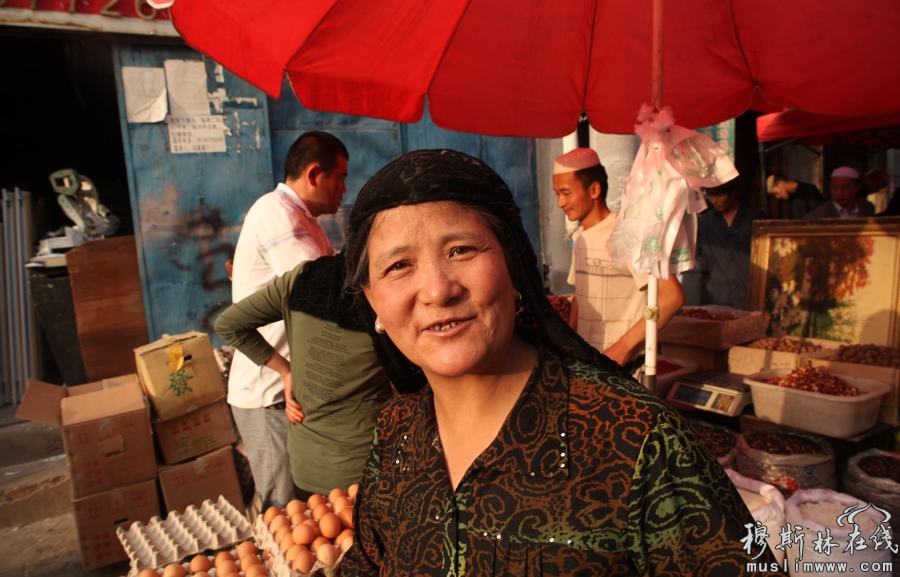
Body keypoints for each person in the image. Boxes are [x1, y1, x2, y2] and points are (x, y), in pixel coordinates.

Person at [341, 149, 782, 576]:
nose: (438, 290)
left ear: (514, 265)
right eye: (398, 265)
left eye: (461, 250)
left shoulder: (637, 442)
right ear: (371, 302)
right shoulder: (395, 435)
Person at [227, 130, 348, 510]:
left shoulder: (304, 218)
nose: (345, 188)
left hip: (290, 388)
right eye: (340, 177)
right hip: (268, 389)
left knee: (302, 508)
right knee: (282, 512)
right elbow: (324, 291)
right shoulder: (276, 214)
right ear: (314, 174)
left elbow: (338, 271)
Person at [215, 253, 396, 500]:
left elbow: (228, 324)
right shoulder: (384, 296)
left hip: (306, 467)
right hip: (366, 472)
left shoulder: (299, 279)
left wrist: (286, 371)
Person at [551, 148, 684, 368]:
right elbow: (580, 297)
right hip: (589, 366)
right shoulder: (580, 239)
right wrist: (570, 347)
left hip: (625, 369)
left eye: (566, 193)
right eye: (557, 194)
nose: (560, 203)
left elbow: (672, 297)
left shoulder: (627, 234)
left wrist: (622, 348)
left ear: (594, 189)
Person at [697, 179, 767, 309]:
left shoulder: (756, 219)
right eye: (710, 195)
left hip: (752, 294)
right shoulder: (706, 223)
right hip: (719, 297)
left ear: (733, 193)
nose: (714, 200)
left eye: (718, 195)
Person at [805, 166, 875, 219]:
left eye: (845, 188)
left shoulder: (867, 208)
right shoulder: (817, 216)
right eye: (835, 188)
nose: (839, 193)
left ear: (857, 188)